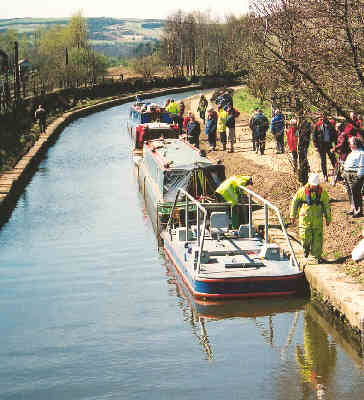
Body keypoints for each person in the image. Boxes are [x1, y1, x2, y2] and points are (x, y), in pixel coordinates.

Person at [290, 173, 331, 263]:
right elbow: (295, 202)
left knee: (317, 240)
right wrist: (292, 215)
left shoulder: (322, 193)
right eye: (313, 185)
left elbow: (326, 206)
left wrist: (328, 218)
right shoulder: (302, 192)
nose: (314, 187)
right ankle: (306, 248)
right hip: (305, 219)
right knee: (304, 237)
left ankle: (317, 257)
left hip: (317, 220)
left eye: (315, 185)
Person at [343, 137, 364, 217]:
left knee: (356, 193)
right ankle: (353, 208)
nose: (349, 144)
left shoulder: (361, 153)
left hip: (355, 175)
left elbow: (362, 165)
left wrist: (359, 176)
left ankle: (358, 211)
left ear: (355, 144)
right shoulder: (352, 153)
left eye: (350, 143)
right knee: (350, 193)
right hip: (347, 174)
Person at [312, 113, 337, 182]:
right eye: (321, 118)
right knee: (323, 161)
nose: (322, 119)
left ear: (326, 118)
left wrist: (336, 146)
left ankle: (338, 174)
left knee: (333, 159)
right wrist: (315, 146)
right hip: (321, 146)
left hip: (329, 145)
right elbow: (314, 136)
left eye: (324, 118)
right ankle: (325, 175)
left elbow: (335, 135)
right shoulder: (317, 125)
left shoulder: (330, 125)